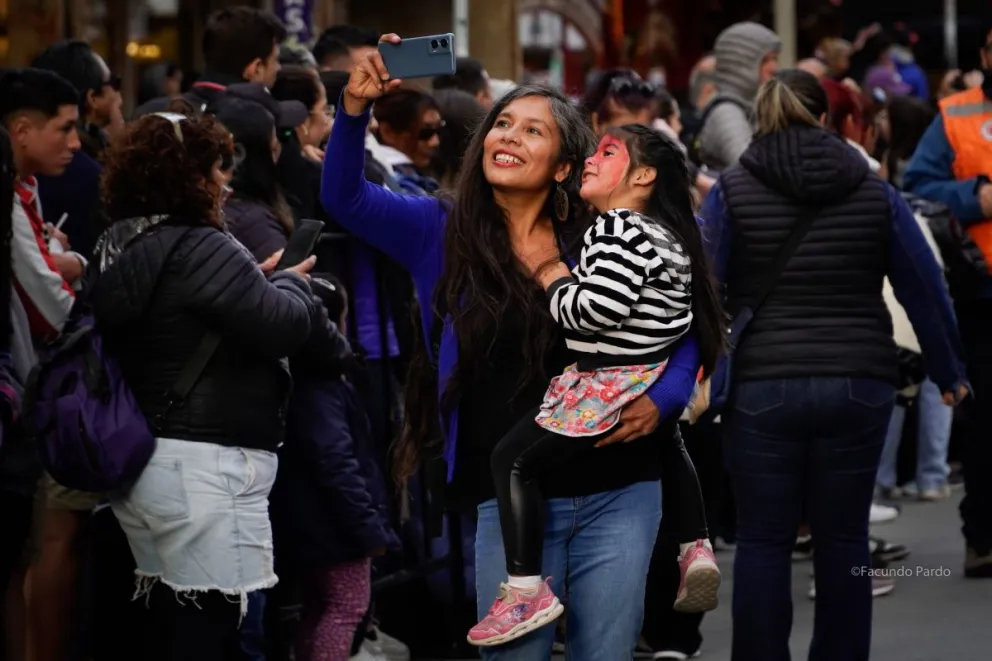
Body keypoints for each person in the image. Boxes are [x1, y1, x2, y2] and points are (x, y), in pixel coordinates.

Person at [321, 34, 702, 661]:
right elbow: (345, 199)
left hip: (619, 488)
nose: (508, 137)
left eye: (532, 131)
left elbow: (687, 324)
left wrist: (664, 399)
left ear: (562, 165)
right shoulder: (439, 228)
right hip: (506, 497)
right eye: (502, 124)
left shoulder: (606, 233)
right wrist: (354, 109)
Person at [699, 68, 969, 661]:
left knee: (765, 541)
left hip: (762, 388)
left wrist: (697, 379)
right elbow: (923, 284)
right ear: (825, 117)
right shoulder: (873, 190)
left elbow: (705, 290)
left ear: (761, 118)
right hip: (859, 382)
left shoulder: (732, 190)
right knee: (844, 540)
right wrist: (949, 373)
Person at [87, 111, 333, 661]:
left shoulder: (115, 242)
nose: (224, 182)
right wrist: (293, 285)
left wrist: (260, 282)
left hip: (146, 462)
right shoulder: (201, 245)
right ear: (189, 175)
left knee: (169, 625)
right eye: (215, 169)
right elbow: (283, 327)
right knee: (218, 629)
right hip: (207, 469)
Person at [468, 124, 726, 646]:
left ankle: (523, 589)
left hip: (607, 383)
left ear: (643, 174)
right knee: (668, 440)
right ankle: (694, 544)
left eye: (608, 153)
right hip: (647, 378)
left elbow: (591, 313)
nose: (591, 160)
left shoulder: (618, 229)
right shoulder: (671, 235)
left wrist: (552, 277)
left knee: (512, 460)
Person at [0, 68, 87, 661]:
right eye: (65, 128)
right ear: (22, 129)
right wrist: (74, 268)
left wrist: (66, 260)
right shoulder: (9, 196)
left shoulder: (24, 191)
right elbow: (49, 305)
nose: (76, 143)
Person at [903, 21, 992, 578]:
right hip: (982, 294)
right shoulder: (957, 115)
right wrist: (975, 195)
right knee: (985, 426)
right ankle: (982, 537)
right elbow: (918, 186)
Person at [270, 274, 398, 661]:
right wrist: (367, 528)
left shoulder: (291, 382)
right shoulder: (324, 389)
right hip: (338, 527)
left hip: (308, 522)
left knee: (317, 609)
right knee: (346, 610)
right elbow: (336, 462)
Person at [32, 40, 122, 261]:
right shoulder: (89, 177)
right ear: (92, 97)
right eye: (114, 83)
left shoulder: (23, 161)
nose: (73, 145)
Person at [134, 6, 286, 115]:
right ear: (256, 68)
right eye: (275, 60)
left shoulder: (148, 116)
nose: (279, 68)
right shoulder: (258, 125)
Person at [213, 97, 294, 261]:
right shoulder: (256, 225)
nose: (278, 156)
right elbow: (285, 281)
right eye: (272, 150)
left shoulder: (201, 211)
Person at [696, 22, 781, 171]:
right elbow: (752, 168)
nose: (774, 68)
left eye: (775, 59)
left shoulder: (751, 108)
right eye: (766, 60)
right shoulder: (726, 113)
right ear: (741, 65)